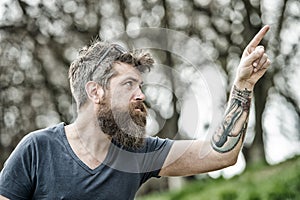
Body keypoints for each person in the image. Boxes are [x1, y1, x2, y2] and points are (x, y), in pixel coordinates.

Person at [0, 25, 270, 199]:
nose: (141, 95)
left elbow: (221, 154)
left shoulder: (138, 153)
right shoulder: (37, 149)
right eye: (129, 84)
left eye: (140, 85)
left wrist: (243, 85)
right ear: (95, 92)